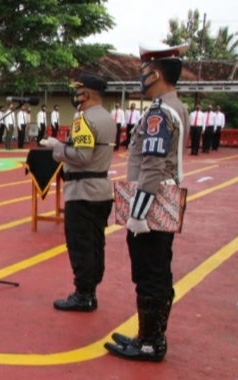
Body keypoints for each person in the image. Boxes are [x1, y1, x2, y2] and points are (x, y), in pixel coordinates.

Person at [104, 42, 191, 362]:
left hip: (151, 201)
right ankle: (149, 335)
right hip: (162, 196)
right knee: (157, 270)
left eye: (143, 73)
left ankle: (151, 342)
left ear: (154, 74)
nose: (140, 79)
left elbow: (153, 166)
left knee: (150, 271)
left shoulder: (159, 112)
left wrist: (137, 214)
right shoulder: (176, 106)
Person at [41, 74, 115, 312]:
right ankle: (90, 290)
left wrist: (57, 146)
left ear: (87, 94)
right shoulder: (107, 118)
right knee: (95, 243)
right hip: (101, 189)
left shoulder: (84, 120)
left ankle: (84, 294)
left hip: (83, 190)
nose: (76, 96)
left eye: (78, 91)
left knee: (80, 243)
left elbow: (82, 157)